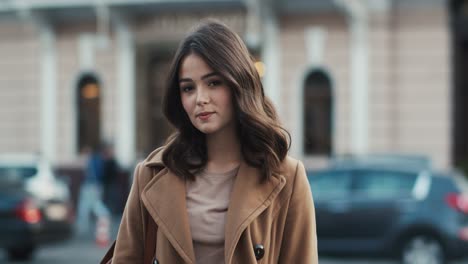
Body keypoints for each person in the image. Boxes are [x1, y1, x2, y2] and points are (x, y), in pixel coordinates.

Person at [111, 19, 318, 263]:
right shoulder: (151, 174)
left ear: (238, 84)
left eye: (213, 83)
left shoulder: (287, 177)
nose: (200, 98)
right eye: (188, 88)